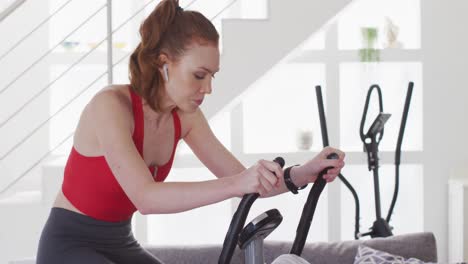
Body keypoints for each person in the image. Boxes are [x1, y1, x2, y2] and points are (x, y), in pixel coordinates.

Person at [36, 0, 345, 263]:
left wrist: (305, 172)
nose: (208, 88)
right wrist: (238, 182)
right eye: (199, 75)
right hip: (69, 244)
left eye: (212, 76)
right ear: (163, 63)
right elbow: (146, 198)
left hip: (120, 241)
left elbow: (246, 179)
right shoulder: (110, 106)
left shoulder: (186, 117)